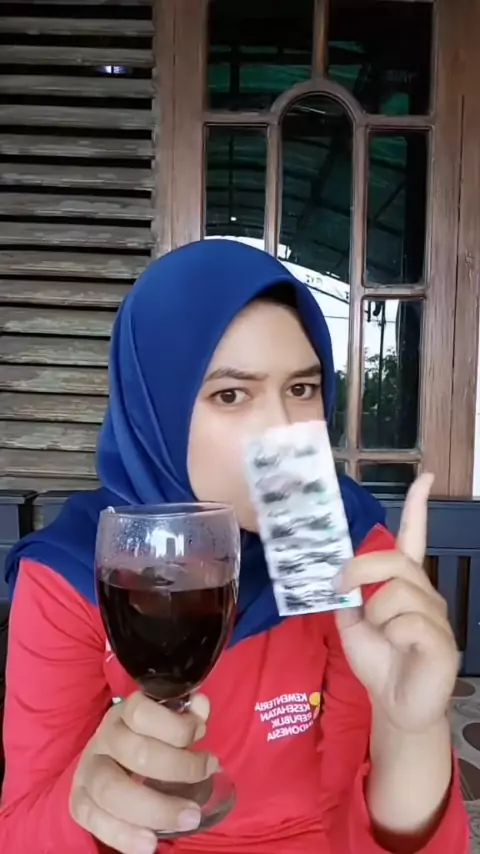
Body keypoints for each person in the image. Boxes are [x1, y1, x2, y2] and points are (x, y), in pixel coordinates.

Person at [0, 239, 468, 854]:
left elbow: (356, 824)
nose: (283, 430)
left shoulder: (348, 551)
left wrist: (412, 728)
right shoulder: (75, 574)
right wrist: (84, 804)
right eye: (231, 394)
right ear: (156, 412)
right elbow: (23, 831)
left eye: (301, 389)